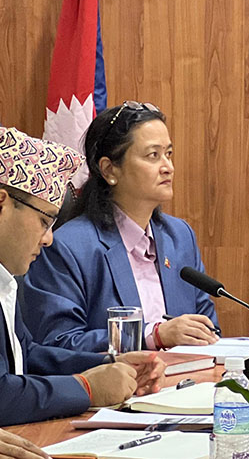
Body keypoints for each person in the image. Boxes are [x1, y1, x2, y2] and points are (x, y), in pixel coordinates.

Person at [21, 102, 218, 353]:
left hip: (188, 375)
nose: (168, 167)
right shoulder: (69, 247)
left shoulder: (180, 237)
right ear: (109, 169)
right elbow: (57, 343)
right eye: (153, 155)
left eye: (168, 154)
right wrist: (153, 336)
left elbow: (208, 329)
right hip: (112, 378)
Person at [0, 126, 163, 426]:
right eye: (43, 222)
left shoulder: (5, 281)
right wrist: (86, 388)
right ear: (2, 204)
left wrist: (109, 363)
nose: (48, 239)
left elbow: (26, 356)